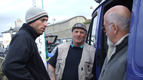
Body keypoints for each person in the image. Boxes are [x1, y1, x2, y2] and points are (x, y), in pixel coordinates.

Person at [3, 7, 50, 80]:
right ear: (31, 21)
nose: (46, 24)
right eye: (42, 20)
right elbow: (11, 67)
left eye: (46, 21)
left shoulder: (28, 37)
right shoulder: (23, 37)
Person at [99, 5, 131, 80]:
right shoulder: (115, 47)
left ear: (114, 28)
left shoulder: (129, 57)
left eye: (104, 28)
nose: (105, 32)